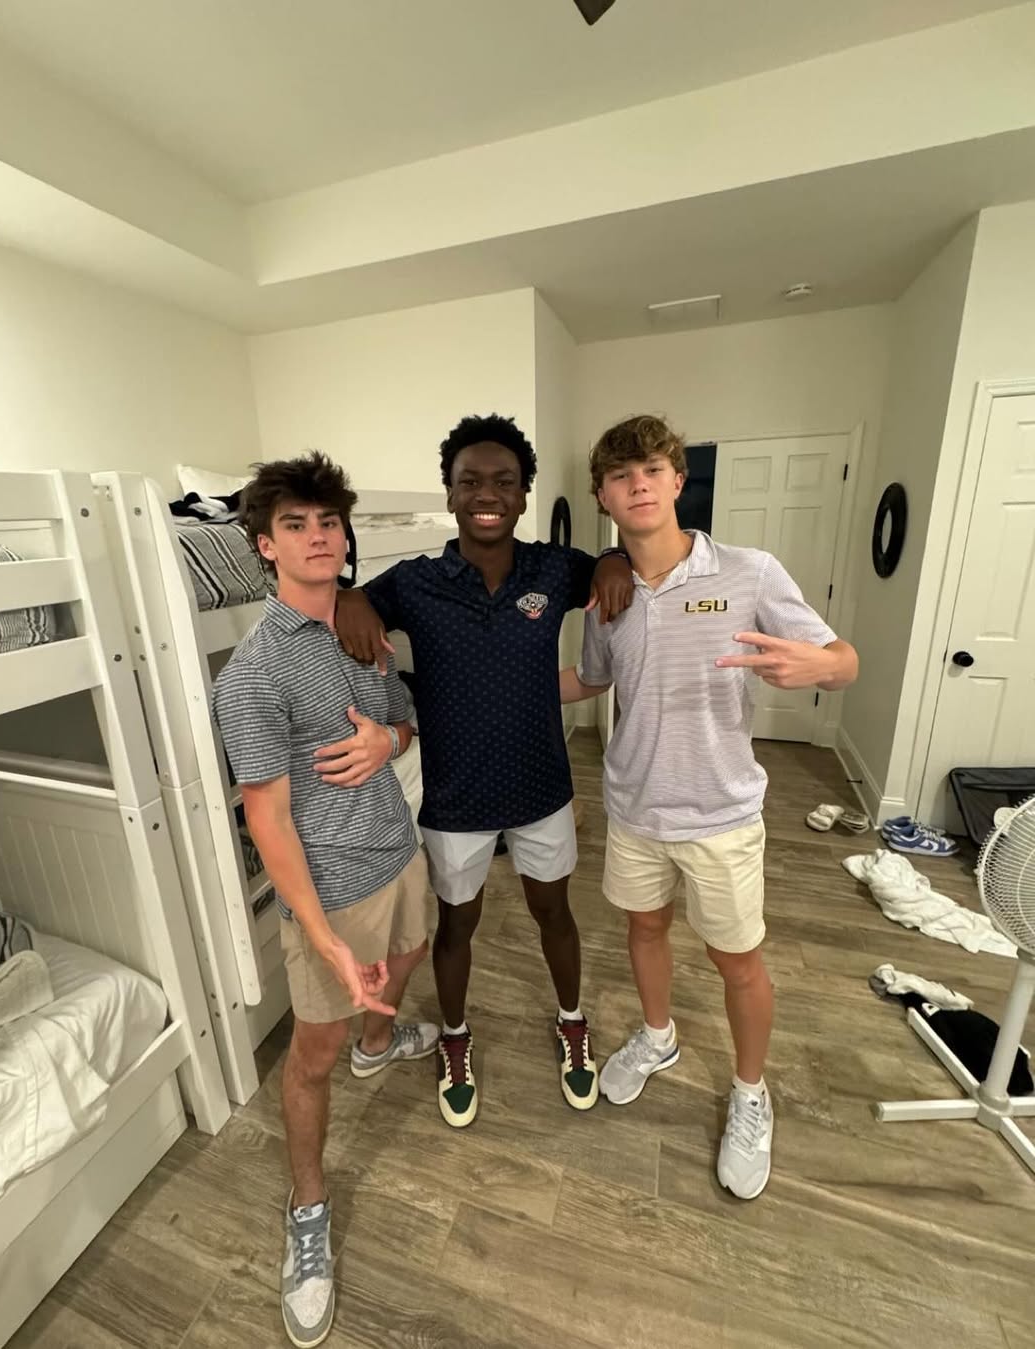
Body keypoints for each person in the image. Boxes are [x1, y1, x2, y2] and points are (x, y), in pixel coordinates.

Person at [560, 414, 858, 1200]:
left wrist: (824, 667)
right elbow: (592, 679)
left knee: (738, 960)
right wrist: (494, 684)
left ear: (677, 479)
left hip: (721, 815)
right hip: (634, 807)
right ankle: (658, 1035)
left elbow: (843, 659)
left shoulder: (750, 573)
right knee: (644, 927)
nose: (638, 485)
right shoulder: (605, 597)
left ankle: (751, 1092)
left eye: (652, 470)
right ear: (603, 496)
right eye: (621, 476)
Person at [335, 414, 633, 1128]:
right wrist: (349, 597)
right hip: (456, 797)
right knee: (457, 924)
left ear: (525, 493)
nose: (487, 494)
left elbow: (605, 564)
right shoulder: (417, 582)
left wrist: (613, 558)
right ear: (450, 493)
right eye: (470, 481)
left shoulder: (552, 569)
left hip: (540, 786)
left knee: (554, 912)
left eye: (504, 481)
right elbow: (356, 599)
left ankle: (572, 1019)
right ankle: (455, 1035)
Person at [212, 452, 438, 1348]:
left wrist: (389, 739)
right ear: (266, 546)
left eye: (329, 523)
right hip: (331, 888)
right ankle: (307, 1211)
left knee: (410, 957)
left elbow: (403, 720)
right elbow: (266, 817)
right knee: (312, 1055)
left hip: (398, 849)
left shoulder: (363, 631)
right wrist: (322, 936)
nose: (318, 537)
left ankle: (380, 1042)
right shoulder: (253, 673)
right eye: (296, 525)